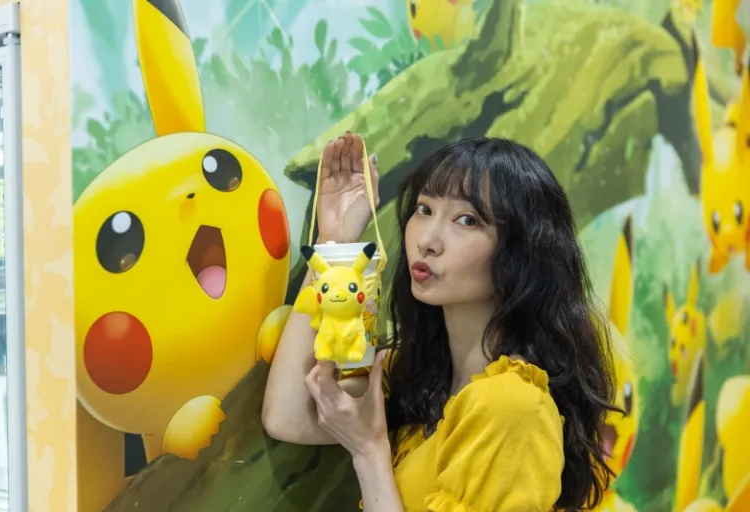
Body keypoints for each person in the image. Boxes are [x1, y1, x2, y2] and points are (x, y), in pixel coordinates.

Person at [262, 132, 619, 512]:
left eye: (467, 220)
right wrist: (334, 242)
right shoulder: (419, 375)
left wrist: (369, 451)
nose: (428, 240)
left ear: (521, 254)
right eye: (424, 209)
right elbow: (286, 417)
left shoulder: (514, 407)